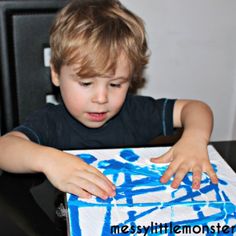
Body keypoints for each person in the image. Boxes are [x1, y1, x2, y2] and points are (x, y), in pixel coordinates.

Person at [0, 0, 218, 200]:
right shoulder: (50, 121)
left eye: (115, 84)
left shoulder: (136, 113)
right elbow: (5, 148)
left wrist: (194, 139)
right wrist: (49, 160)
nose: (101, 98)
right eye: (86, 83)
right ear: (56, 74)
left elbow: (195, 108)